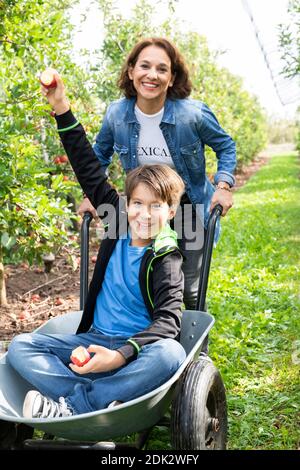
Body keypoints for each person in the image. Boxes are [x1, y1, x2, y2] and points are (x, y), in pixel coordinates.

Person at [7, 72, 187, 418]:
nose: (144, 215)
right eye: (137, 203)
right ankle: (95, 396)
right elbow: (87, 167)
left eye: (156, 206)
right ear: (125, 203)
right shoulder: (118, 220)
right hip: (94, 339)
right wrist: (60, 105)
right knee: (20, 346)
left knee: (170, 355)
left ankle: (76, 405)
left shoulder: (166, 256)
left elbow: (168, 322)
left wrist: (120, 356)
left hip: (134, 350)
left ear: (171, 210)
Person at [78, 37, 236, 311]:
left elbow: (225, 145)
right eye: (144, 66)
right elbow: (99, 155)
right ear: (131, 72)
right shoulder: (116, 114)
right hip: (142, 208)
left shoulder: (192, 114)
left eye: (162, 69)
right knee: (134, 274)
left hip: (186, 208)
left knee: (188, 286)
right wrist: (90, 195)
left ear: (172, 78)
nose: (152, 75)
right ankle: (144, 337)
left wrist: (223, 185)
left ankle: (199, 351)